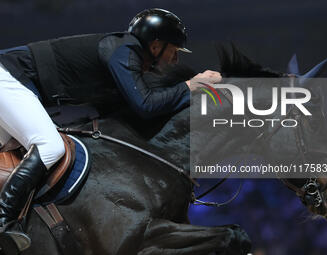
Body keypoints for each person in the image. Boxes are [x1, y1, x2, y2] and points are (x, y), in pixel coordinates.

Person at [0, 8, 221, 251]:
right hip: (9, 78)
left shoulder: (124, 55)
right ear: (156, 46)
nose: (176, 60)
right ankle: (4, 222)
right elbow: (145, 104)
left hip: (16, 83)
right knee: (50, 146)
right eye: (174, 51)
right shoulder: (123, 51)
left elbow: (133, 109)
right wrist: (190, 86)